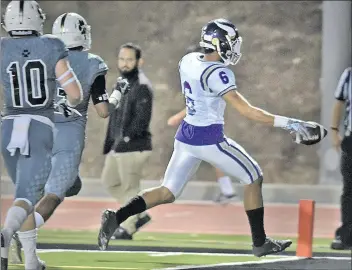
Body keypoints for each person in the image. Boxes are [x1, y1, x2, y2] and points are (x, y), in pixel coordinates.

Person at [97, 18, 323, 257]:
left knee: (167, 191)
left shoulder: (189, 61)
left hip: (186, 136)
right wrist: (291, 123)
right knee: (254, 176)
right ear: (220, 43)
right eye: (232, 42)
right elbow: (247, 111)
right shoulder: (218, 73)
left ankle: (117, 216)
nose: (235, 47)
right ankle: (260, 242)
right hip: (208, 138)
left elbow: (201, 92)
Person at [0, 1, 83, 269]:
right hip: (38, 126)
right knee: (27, 197)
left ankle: (32, 261)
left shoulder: (1, 47)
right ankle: (4, 234)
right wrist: (67, 104)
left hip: (9, 126)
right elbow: (75, 94)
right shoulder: (51, 45)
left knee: (24, 196)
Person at [101, 43, 153, 240]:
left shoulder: (142, 86)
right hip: (118, 146)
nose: (125, 63)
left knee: (131, 189)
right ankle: (140, 214)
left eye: (129, 59)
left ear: (139, 62)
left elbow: (141, 119)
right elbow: (114, 115)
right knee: (109, 182)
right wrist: (110, 141)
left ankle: (128, 227)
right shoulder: (120, 82)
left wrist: (125, 138)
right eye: (122, 59)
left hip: (134, 147)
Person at [330, 66, 352, 250]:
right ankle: (346, 235)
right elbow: (339, 102)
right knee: (349, 190)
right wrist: (334, 131)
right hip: (351, 139)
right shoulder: (349, 74)